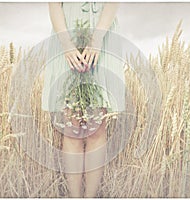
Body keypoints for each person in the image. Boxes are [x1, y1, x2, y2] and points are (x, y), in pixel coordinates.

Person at [41, 2, 125, 197]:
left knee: (97, 127)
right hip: (67, 31)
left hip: (102, 34)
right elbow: (54, 4)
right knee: (71, 127)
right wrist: (67, 44)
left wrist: (97, 40)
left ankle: (90, 197)